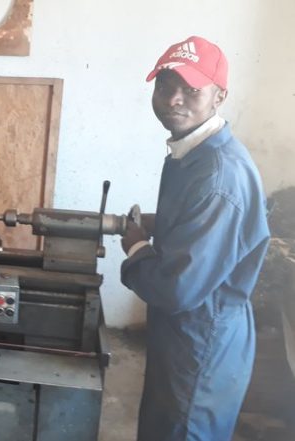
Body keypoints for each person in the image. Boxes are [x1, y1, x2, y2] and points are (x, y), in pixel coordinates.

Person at [120, 36, 270, 441]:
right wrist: (162, 223)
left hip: (202, 340)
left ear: (219, 96)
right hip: (187, 332)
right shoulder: (194, 152)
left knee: (183, 429)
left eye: (191, 89)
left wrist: (136, 247)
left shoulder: (219, 177)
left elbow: (178, 288)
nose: (174, 99)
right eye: (165, 85)